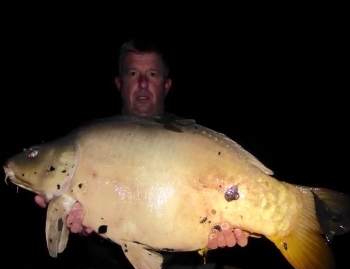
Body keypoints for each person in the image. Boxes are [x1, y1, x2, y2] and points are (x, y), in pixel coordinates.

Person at [34, 37, 249, 250]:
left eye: (152, 74)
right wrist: (82, 227)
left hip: (184, 267)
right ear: (120, 83)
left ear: (166, 85)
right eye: (133, 74)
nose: (143, 84)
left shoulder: (192, 140)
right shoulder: (92, 139)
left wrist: (229, 225)